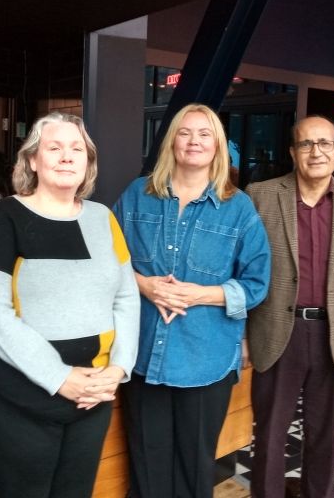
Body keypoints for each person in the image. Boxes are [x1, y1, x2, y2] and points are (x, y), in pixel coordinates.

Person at [0, 112, 140, 498]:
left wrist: (119, 367)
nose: (66, 156)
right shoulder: (6, 215)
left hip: (92, 394)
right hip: (19, 391)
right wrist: (60, 377)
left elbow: (126, 296)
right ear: (32, 160)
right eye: (54, 147)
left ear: (88, 162)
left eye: (77, 149)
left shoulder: (103, 218)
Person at [113, 103, 271, 498]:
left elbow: (256, 283)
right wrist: (144, 285)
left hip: (206, 360)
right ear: (172, 142)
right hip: (143, 354)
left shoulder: (238, 208)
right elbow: (108, 263)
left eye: (205, 134)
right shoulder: (137, 195)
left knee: (194, 469)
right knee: (146, 467)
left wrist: (202, 294)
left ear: (218, 146)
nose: (194, 141)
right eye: (185, 132)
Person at [246, 115, 334, 498]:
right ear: (293, 152)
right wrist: (241, 335)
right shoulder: (260, 196)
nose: (315, 151)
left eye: (324, 143)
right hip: (276, 333)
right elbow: (242, 270)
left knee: (325, 436)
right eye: (306, 144)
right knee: (270, 435)